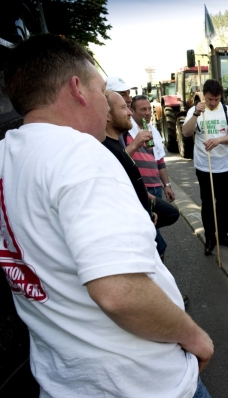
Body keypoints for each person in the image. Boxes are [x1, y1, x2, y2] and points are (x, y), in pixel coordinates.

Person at [1, 34, 213, 397]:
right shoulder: (80, 155)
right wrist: (196, 339)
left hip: (65, 381)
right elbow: (119, 293)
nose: (111, 106)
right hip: (140, 382)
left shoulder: (8, 154)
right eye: (101, 91)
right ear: (77, 90)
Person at [182, 79, 228, 255]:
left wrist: (218, 140)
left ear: (220, 96)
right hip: (204, 166)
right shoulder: (195, 111)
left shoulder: (227, 111)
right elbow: (186, 132)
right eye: (209, 99)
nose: (213, 103)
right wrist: (195, 115)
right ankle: (209, 238)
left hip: (224, 165)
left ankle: (222, 235)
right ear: (204, 96)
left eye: (216, 99)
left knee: (223, 203)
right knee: (207, 203)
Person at [126, 93, 176, 261]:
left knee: (153, 222)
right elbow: (123, 158)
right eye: (143, 109)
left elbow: (159, 160)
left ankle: (154, 257)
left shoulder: (152, 130)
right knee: (148, 223)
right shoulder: (126, 131)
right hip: (141, 187)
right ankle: (158, 251)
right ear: (132, 111)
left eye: (149, 109)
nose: (147, 113)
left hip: (155, 186)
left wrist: (166, 184)